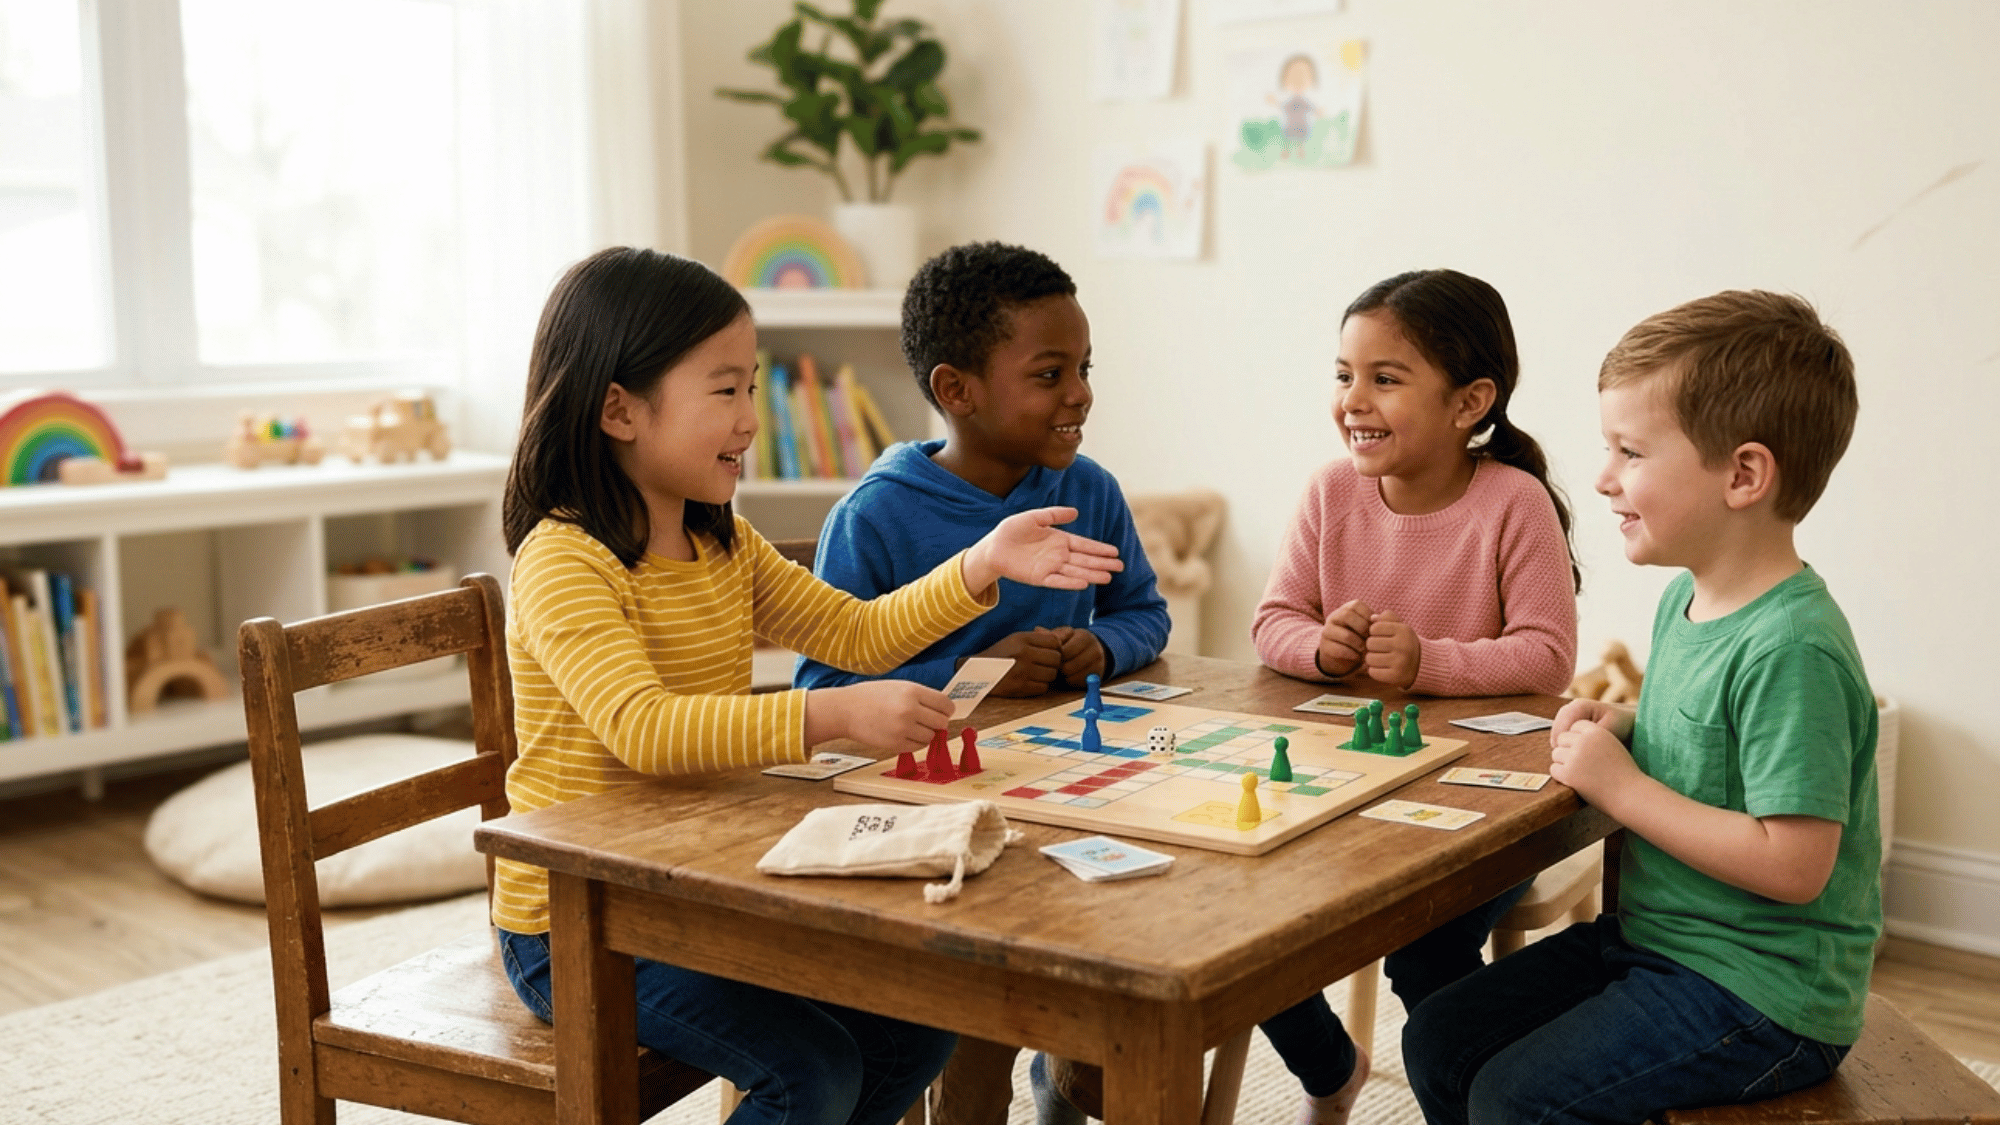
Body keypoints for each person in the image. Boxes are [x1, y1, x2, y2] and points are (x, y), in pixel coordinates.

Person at [490, 246, 1125, 1125]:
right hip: (577, 923)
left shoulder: (724, 544)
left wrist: (981, 561)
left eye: (753, 387)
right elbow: (642, 728)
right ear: (619, 409)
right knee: (811, 1072)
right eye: (725, 390)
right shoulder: (566, 558)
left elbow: (856, 631)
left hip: (688, 885)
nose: (751, 418)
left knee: (917, 1025)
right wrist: (831, 715)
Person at [1403, 290, 1881, 1125]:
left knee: (1516, 1099)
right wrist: (1629, 726)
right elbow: (1712, 757)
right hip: (1660, 943)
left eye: (1630, 450)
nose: (1602, 477)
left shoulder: (1792, 647)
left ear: (1743, 474)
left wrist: (1623, 788)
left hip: (1763, 992)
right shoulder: (1685, 603)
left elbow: (1794, 863)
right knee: (1441, 1037)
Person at [796, 241, 1171, 1125]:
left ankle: (1076, 1073)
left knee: (1141, 951)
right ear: (957, 389)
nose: (1079, 391)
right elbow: (825, 679)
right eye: (1049, 373)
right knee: (978, 1012)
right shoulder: (877, 513)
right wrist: (979, 681)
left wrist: (1100, 649)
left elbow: (1145, 612)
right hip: (937, 809)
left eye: (1084, 367)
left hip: (1072, 788)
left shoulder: (1089, 489)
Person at [1250, 269, 1580, 1125]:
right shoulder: (1331, 492)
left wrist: (1428, 659)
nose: (1354, 399)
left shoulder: (1515, 502)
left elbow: (1548, 657)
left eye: (1385, 378)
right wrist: (1320, 650)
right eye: (1343, 374)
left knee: (1426, 951)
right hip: (1348, 783)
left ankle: (1486, 1106)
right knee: (1242, 927)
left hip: (1482, 799)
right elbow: (1273, 620)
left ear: (1472, 402)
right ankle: (1330, 1068)